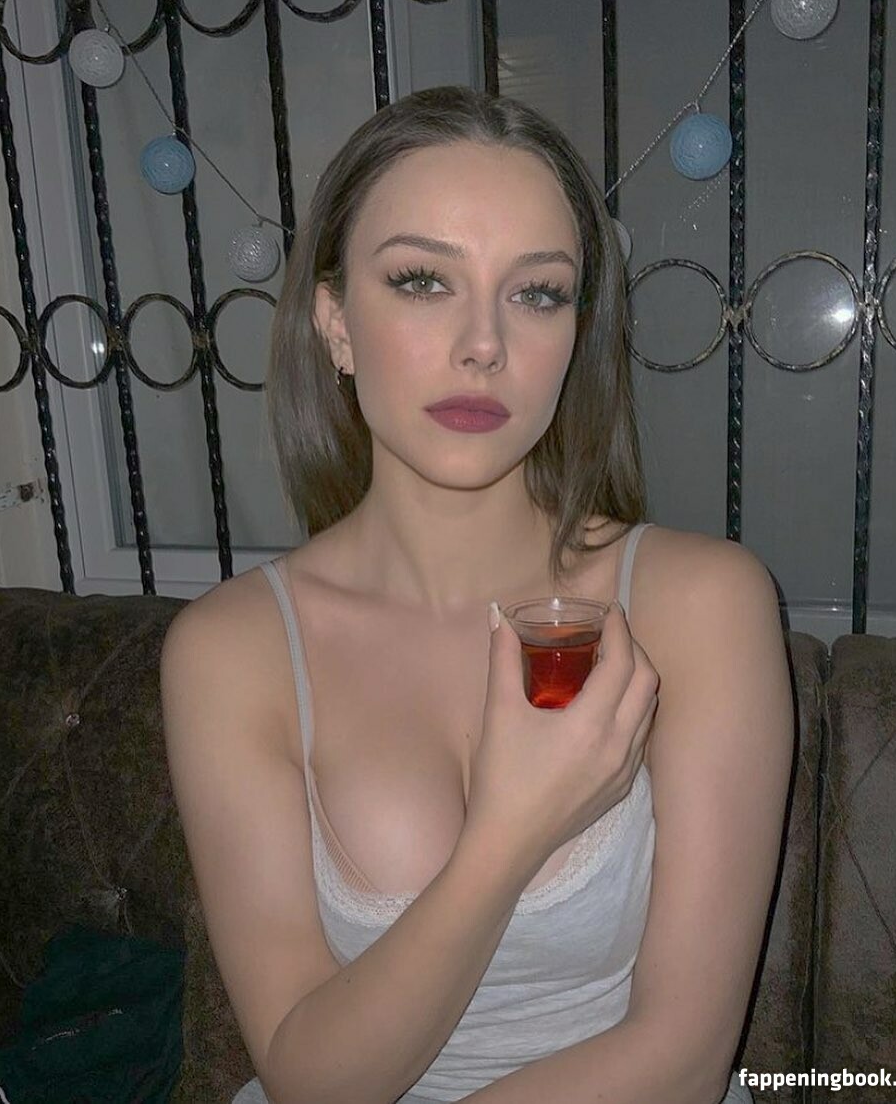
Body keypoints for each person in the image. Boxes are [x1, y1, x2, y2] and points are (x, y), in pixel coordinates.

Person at [160, 85, 794, 1104]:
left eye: (536, 293)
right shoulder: (230, 651)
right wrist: (509, 835)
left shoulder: (703, 604)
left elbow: (681, 1059)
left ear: (574, 335)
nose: (484, 344)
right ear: (335, 322)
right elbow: (308, 1075)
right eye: (421, 281)